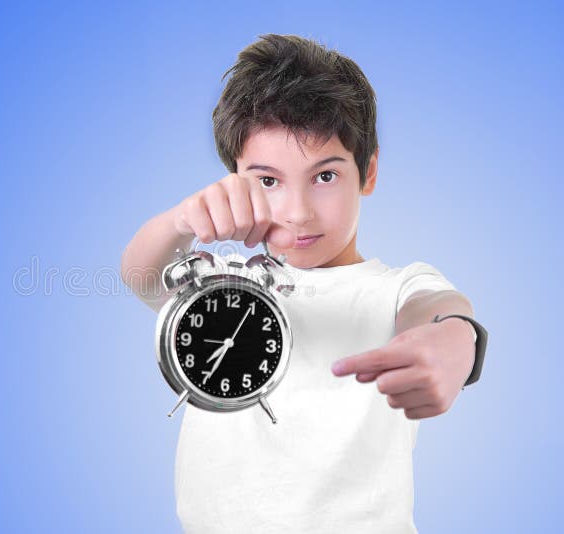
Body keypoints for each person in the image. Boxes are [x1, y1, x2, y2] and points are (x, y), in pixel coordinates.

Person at [120, 33, 480, 533]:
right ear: (234, 181)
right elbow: (139, 275)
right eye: (267, 181)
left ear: (368, 172)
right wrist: (182, 221)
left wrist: (458, 340)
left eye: (325, 177)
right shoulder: (222, 287)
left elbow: (438, 308)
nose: (298, 213)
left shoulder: (395, 288)